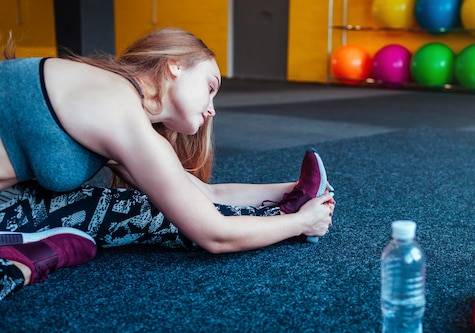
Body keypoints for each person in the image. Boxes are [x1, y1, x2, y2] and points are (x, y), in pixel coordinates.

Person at [0, 28, 335, 300]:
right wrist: (301, 223)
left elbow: (205, 192)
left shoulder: (110, 99)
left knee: (137, 206)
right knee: (145, 212)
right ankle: (14, 260)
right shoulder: (118, 112)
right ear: (176, 65)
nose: (212, 109)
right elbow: (214, 235)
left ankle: (29, 247)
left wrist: (291, 191)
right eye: (210, 87)